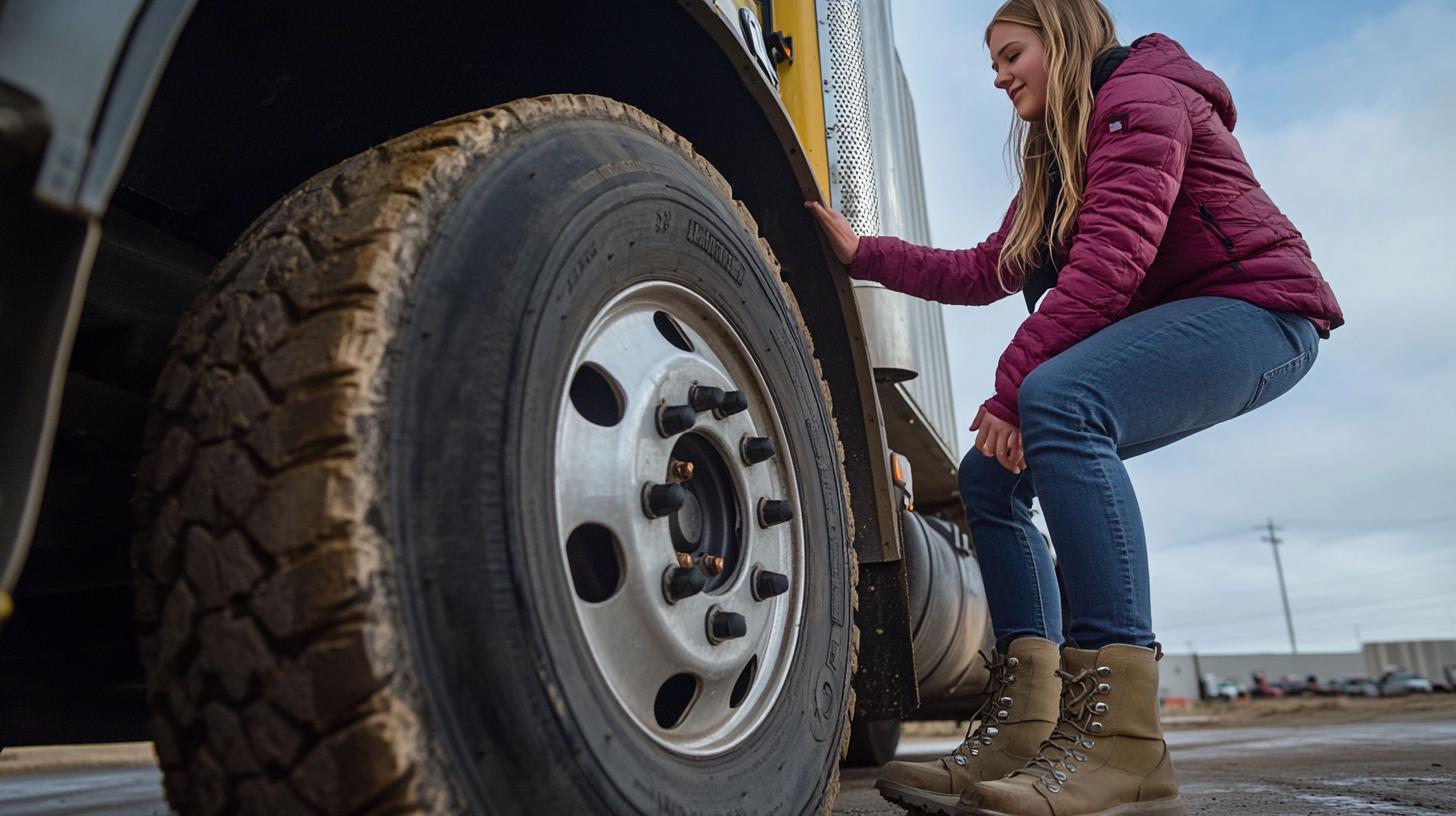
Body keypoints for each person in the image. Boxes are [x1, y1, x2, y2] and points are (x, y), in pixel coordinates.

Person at [806, 1, 1343, 814]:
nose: (997, 74)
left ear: (1061, 37)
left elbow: (1107, 266)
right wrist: (863, 254)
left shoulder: (1142, 100)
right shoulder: (1056, 156)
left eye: (1010, 52)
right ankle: (1027, 726)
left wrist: (1014, 386)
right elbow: (986, 269)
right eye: (992, 61)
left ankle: (1124, 744)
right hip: (1190, 317)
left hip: (1261, 314)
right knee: (986, 476)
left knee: (1058, 399)